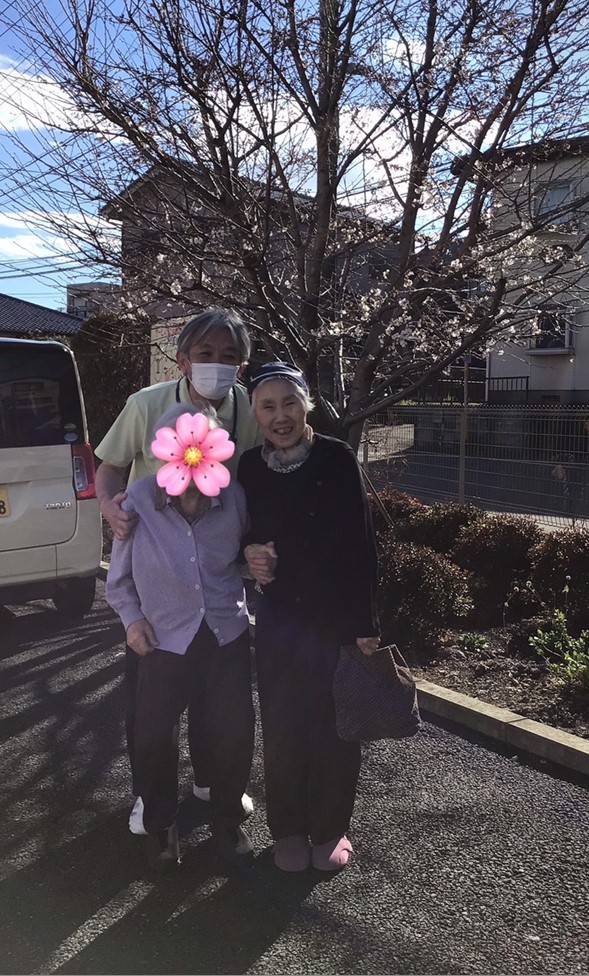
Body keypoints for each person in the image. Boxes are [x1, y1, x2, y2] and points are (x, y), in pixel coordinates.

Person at [94, 308, 260, 834]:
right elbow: (110, 468)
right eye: (205, 354)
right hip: (156, 566)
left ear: (242, 364)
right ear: (183, 359)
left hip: (216, 559)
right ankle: (149, 796)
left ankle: (213, 781)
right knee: (150, 706)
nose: (217, 364)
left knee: (220, 699)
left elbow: (256, 483)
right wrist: (111, 509)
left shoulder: (250, 409)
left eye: (229, 356)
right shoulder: (146, 405)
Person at [238, 361, 381, 873]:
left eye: (289, 404)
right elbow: (237, 533)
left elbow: (362, 542)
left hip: (334, 620)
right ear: (255, 414)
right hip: (279, 620)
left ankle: (331, 828)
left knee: (335, 728)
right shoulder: (249, 467)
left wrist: (365, 625)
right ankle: (288, 829)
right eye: (268, 407)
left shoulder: (336, 458)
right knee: (282, 726)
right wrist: (249, 553)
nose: (280, 416)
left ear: (307, 406)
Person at [105, 404, 255, 870]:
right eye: (178, 448)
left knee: (232, 731)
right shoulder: (138, 499)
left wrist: (260, 561)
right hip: (161, 637)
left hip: (225, 633)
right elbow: (118, 580)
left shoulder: (234, 498)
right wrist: (132, 621)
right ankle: (160, 824)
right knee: (153, 737)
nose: (190, 459)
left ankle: (227, 820)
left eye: (202, 448)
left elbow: (244, 558)